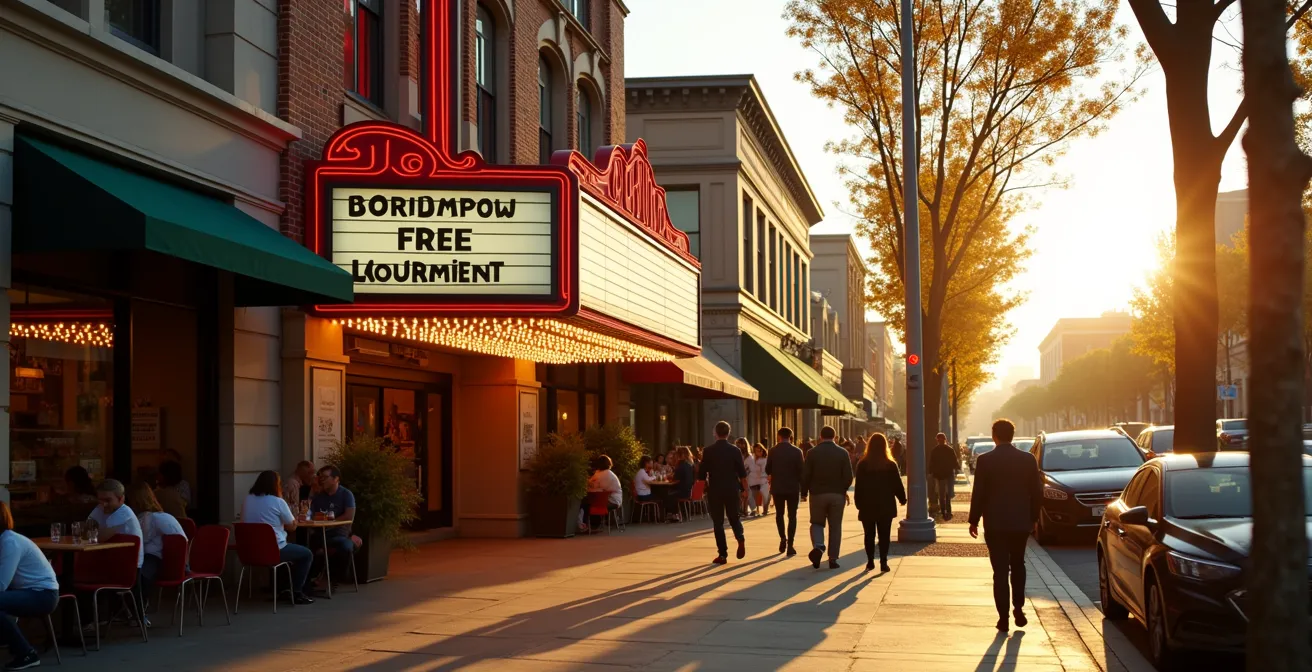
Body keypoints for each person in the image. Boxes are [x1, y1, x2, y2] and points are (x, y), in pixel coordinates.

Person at [969, 418, 1042, 632]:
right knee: (1018, 565)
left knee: (999, 571)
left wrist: (974, 520)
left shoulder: (985, 460)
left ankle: (1003, 618)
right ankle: (1018, 607)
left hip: (995, 523)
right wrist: (1034, 518)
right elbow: (1036, 492)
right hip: (1020, 522)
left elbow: (979, 494)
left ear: (994, 436)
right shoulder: (1028, 459)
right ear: (1012, 435)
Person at [0, 502, 59, 670]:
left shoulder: (10, 542)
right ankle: (9, 640)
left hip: (43, 595)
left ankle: (26, 654)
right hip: (24, 591)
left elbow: (1, 584)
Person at [243, 471, 314, 605]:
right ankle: (296, 592)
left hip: (250, 552)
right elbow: (292, 527)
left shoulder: (248, 499)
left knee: (288, 553)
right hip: (274, 550)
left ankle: (283, 590)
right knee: (306, 554)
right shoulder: (278, 501)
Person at [125, 481, 186, 614]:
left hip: (155, 558)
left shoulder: (159, 518)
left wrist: (180, 565)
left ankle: (138, 611)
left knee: (139, 575)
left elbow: (180, 541)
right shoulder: (136, 518)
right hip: (139, 556)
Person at [801, 426, 853, 570]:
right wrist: (843, 489)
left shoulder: (812, 453)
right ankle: (833, 559)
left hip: (817, 494)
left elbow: (806, 475)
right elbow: (849, 476)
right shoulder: (843, 453)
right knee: (835, 527)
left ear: (820, 436)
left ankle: (818, 547)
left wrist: (804, 492)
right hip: (837, 495)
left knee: (817, 523)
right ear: (835, 437)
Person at [854, 434, 906, 572]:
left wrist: (858, 503)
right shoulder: (890, 464)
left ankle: (870, 561)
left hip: (867, 504)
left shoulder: (863, 464)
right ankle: (883, 561)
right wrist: (902, 498)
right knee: (884, 535)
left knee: (868, 535)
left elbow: (858, 486)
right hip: (885, 504)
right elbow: (897, 484)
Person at [699, 421, 748, 564]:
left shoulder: (708, 451)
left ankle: (722, 554)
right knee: (734, 517)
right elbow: (742, 473)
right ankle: (740, 538)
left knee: (718, 522)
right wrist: (745, 490)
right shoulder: (735, 450)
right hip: (732, 488)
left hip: (715, 490)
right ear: (728, 433)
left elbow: (702, 474)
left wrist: (703, 487)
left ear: (715, 433)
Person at [309, 465, 357, 593]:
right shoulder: (318, 496)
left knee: (346, 547)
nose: (321, 480)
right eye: (320, 477)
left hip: (339, 534)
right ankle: (308, 581)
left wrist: (332, 521)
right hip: (320, 534)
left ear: (336, 479)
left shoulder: (346, 494)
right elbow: (309, 514)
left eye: (325, 477)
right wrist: (312, 493)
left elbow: (349, 515)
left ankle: (334, 579)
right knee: (305, 547)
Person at [765, 427, 804, 556]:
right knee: (792, 516)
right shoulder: (797, 451)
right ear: (791, 437)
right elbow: (801, 471)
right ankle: (791, 545)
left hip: (778, 488)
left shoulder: (772, 451)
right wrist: (804, 491)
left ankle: (783, 538)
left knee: (779, 514)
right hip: (793, 488)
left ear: (778, 436)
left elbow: (767, 469)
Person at [88, 480, 143, 569]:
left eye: (108, 500)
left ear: (121, 499)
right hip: (108, 562)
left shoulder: (124, 512)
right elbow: (85, 532)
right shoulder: (100, 508)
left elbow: (99, 537)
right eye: (100, 500)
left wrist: (93, 533)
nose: (104, 504)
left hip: (127, 566)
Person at [929, 432, 959, 520]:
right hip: (948, 474)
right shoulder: (949, 449)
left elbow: (932, 463)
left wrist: (931, 472)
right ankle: (948, 511)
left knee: (941, 494)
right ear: (945, 439)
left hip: (939, 475)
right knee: (948, 493)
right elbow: (954, 461)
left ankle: (943, 511)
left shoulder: (935, 450)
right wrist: (957, 467)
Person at [746, 444, 770, 517]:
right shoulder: (751, 458)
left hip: (763, 478)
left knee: (765, 493)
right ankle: (755, 509)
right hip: (753, 479)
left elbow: (765, 469)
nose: (759, 452)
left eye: (760, 450)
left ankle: (765, 509)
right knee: (752, 495)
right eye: (757, 450)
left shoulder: (765, 459)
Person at [734, 438, 752, 515]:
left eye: (742, 444)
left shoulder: (749, 456)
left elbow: (751, 467)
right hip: (737, 476)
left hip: (746, 477)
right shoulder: (735, 454)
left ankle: (745, 510)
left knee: (746, 493)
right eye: (738, 444)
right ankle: (740, 510)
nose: (740, 446)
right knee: (740, 495)